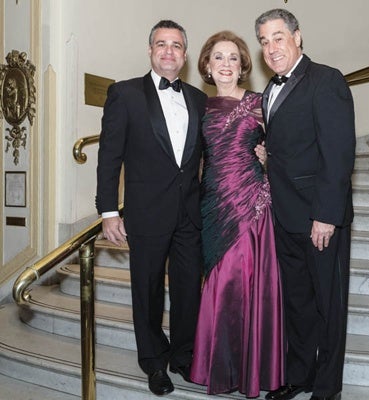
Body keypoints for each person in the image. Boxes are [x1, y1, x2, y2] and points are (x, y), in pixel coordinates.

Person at [95, 20, 207, 396]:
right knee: (147, 291)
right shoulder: (124, 94)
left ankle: (185, 356)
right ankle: (154, 363)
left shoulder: (198, 98)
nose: (169, 51)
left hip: (191, 214)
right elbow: (109, 155)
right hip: (145, 213)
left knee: (189, 289)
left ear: (185, 55)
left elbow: (213, 154)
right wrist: (109, 210)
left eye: (176, 45)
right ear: (150, 51)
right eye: (161, 44)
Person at [255, 9, 356, 400]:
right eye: (264, 41)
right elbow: (291, 146)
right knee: (297, 303)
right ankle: (301, 375)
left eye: (278, 37)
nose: (271, 47)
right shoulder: (269, 91)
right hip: (285, 215)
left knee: (329, 307)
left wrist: (326, 216)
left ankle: (327, 389)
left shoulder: (326, 80)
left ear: (298, 37)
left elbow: (338, 154)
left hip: (318, 217)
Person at [189, 30, 284, 397]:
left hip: (253, 203)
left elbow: (288, 148)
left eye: (232, 57)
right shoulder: (199, 108)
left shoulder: (262, 103)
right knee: (218, 280)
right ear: (207, 66)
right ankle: (218, 364)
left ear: (243, 65)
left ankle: (252, 370)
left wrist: (269, 159)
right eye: (218, 57)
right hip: (213, 202)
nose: (226, 64)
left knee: (246, 281)